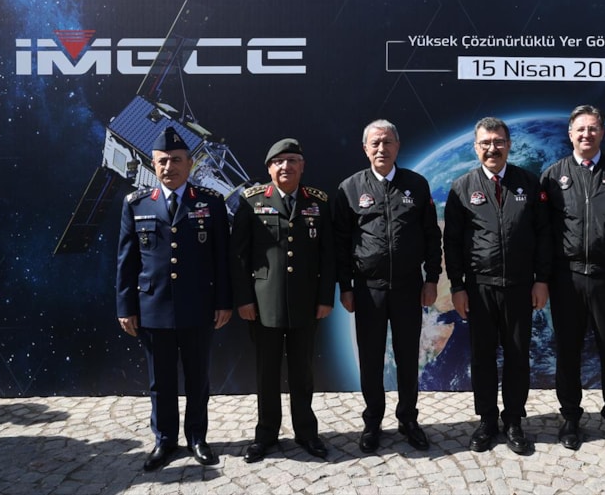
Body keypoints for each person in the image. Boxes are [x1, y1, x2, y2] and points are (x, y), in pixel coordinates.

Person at [116, 127, 233, 471]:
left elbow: (222, 259)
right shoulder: (136, 204)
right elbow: (126, 261)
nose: (170, 167)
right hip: (153, 309)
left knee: (198, 378)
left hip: (198, 306)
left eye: (177, 160)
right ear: (153, 164)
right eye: (163, 161)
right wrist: (125, 307)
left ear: (189, 163)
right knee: (161, 381)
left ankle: (197, 437)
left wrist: (223, 301)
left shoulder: (210, 202)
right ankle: (165, 440)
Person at [540, 105, 605, 456]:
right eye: (580, 129)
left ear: (602, 133)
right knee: (568, 353)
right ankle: (570, 418)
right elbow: (542, 234)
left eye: (593, 128)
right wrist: (542, 279)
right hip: (567, 279)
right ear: (570, 134)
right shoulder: (553, 176)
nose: (586, 134)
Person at [332, 119, 442, 453]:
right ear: (365, 149)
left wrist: (432, 279)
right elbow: (340, 243)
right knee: (371, 358)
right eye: (375, 143)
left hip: (409, 288)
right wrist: (345, 287)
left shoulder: (416, 185)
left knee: (408, 356)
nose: (382, 148)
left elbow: (431, 236)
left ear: (398, 146)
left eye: (388, 142)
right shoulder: (350, 188)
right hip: (369, 290)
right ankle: (373, 421)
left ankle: (408, 418)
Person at [443, 116, 550, 454]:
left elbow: (543, 236)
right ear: (476, 148)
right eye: (485, 143)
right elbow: (452, 242)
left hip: (520, 286)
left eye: (498, 142)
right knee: (483, 357)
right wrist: (457, 287)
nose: (492, 148)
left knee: (518, 356)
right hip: (479, 289)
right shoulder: (462, 187)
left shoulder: (528, 183)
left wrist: (541, 280)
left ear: (509, 145)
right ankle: (487, 420)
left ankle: (514, 420)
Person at [230, 138, 336, 463]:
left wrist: (325, 297)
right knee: (267, 372)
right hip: (264, 305)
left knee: (303, 371)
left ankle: (306, 432)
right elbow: (238, 257)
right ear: (269, 168)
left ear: (302, 166)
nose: (285, 166)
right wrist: (244, 300)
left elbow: (328, 255)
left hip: (306, 302)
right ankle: (266, 434)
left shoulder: (318, 202)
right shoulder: (251, 201)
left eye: (292, 160)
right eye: (279, 162)